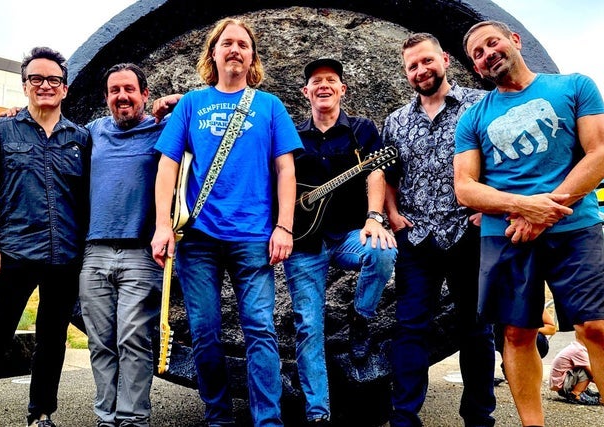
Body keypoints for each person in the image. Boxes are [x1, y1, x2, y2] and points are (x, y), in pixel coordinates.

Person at [150, 18, 303, 427]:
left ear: (252, 57)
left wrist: (284, 226)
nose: (235, 49)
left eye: (243, 44)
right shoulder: (191, 104)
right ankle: (218, 417)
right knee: (204, 331)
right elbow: (166, 166)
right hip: (198, 237)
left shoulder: (269, 106)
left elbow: (286, 169)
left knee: (260, 330)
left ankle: (267, 420)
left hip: (254, 236)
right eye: (227, 43)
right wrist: (163, 225)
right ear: (213, 53)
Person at [454, 20, 604, 425]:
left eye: (492, 43)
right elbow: (465, 187)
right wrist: (522, 206)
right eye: (478, 54)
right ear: (476, 68)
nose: (488, 54)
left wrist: (544, 212)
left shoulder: (575, 86)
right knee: (517, 334)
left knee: (596, 326)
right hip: (505, 234)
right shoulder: (472, 119)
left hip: (575, 225)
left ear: (514, 40)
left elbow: (599, 153)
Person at [0, 47, 91, 427]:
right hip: (13, 253)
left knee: (52, 340)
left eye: (53, 79)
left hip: (65, 256)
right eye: (36, 78)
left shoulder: (81, 139)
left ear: (64, 88)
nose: (45, 85)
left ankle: (41, 414)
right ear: (25, 85)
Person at [381, 32, 496, 426]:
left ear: (445, 59)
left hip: (469, 233)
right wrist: (392, 214)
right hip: (417, 238)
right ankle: (404, 418)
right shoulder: (396, 121)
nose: (421, 70)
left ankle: (479, 418)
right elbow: (388, 175)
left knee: (476, 331)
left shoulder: (480, 105)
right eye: (412, 66)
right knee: (410, 329)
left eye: (427, 60)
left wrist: (489, 209)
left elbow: (499, 160)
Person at [283, 58, 397, 425]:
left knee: (383, 249)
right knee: (308, 327)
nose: (324, 86)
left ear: (342, 89)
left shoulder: (362, 130)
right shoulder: (292, 136)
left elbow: (376, 172)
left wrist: (375, 217)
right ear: (306, 92)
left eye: (331, 80)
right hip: (304, 245)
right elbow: (280, 181)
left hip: (349, 235)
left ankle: (360, 317)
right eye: (316, 81)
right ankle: (319, 413)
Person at [78, 63, 170, 427]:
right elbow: (50, 132)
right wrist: (17, 113)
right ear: (106, 97)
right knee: (100, 342)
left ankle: (133, 419)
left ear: (145, 94)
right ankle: (106, 418)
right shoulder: (93, 132)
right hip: (95, 252)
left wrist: (176, 102)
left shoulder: (162, 129)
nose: (122, 96)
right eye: (114, 90)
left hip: (141, 253)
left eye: (129, 89)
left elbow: (201, 119)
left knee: (133, 340)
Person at [494, 307, 557, 384]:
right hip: (503, 339)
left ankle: (526, 366)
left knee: (535, 339)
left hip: (530, 339)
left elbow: (551, 328)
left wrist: (526, 329)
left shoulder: (530, 302)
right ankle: (509, 366)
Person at [549, 333, 601, 405]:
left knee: (586, 368)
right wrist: (601, 385)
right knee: (586, 371)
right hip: (563, 385)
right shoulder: (579, 351)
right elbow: (592, 374)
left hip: (563, 382)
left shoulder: (577, 347)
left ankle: (583, 390)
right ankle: (575, 394)